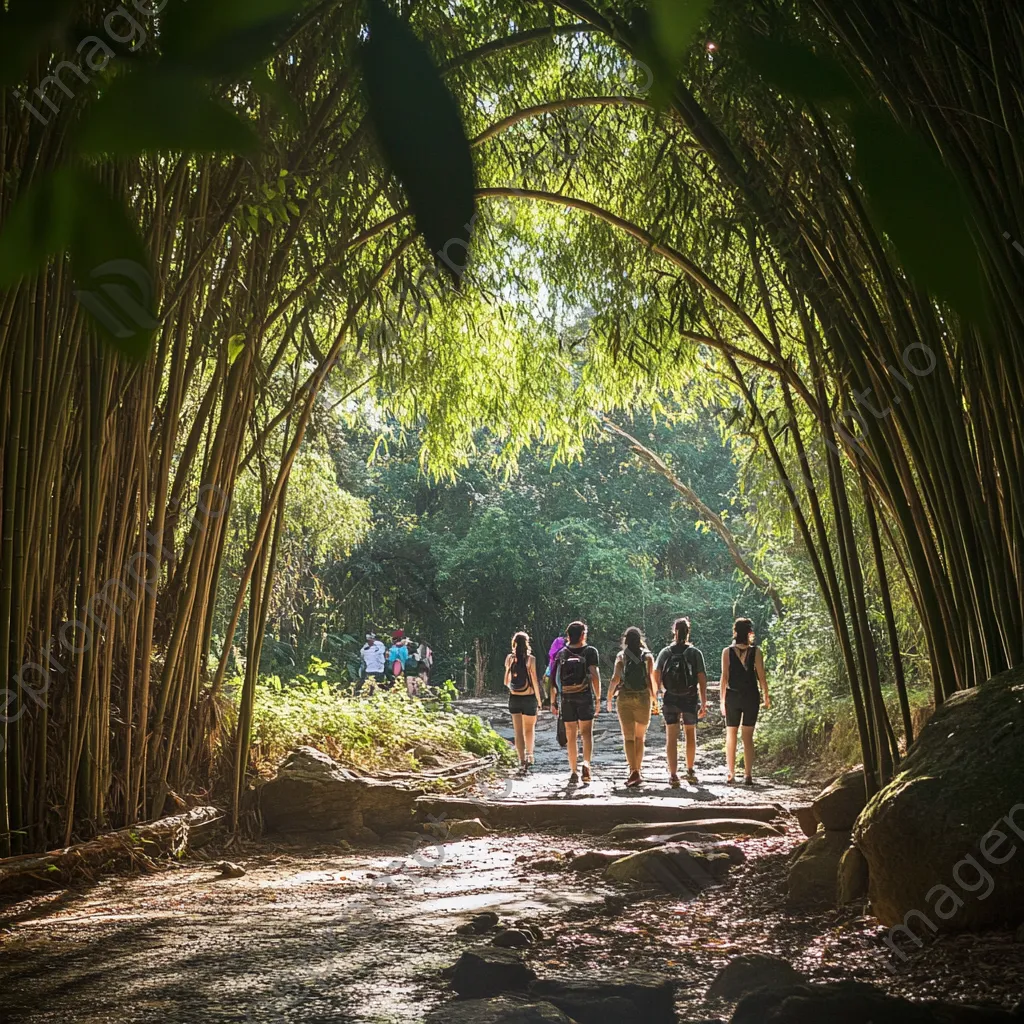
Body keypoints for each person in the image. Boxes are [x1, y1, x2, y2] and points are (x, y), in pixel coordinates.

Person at [654, 616, 708, 787]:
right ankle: (690, 770)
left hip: (670, 697)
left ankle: (673, 774)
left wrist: (660, 690)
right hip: (690, 696)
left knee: (671, 736)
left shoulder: (665, 652)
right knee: (690, 733)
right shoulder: (694, 653)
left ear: (674, 632)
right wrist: (704, 700)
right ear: (688, 631)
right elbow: (701, 677)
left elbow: (656, 672)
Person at [720, 617, 771, 785]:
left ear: (735, 632)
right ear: (750, 633)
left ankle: (731, 773)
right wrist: (766, 696)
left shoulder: (727, 651)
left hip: (732, 696)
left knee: (731, 734)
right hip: (751, 696)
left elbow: (724, 677)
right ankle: (748, 775)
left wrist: (722, 700)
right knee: (747, 736)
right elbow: (761, 676)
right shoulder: (756, 651)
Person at [549, 621, 600, 785]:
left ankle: (573, 770)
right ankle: (586, 764)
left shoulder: (561, 653)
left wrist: (553, 702)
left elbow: (554, 680)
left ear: (568, 636)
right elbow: (595, 675)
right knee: (586, 734)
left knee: (571, 736)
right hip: (584, 696)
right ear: (583, 635)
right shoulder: (590, 651)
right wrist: (598, 698)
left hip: (567, 698)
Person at [606, 626, 656, 787]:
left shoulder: (621, 656)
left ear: (625, 640)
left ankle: (633, 770)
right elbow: (650, 680)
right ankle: (638, 770)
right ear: (640, 639)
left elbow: (615, 679)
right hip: (642, 698)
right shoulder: (648, 657)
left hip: (624, 698)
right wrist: (655, 699)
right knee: (640, 738)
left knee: (628, 738)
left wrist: (608, 698)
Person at [504, 631, 542, 771]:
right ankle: (530, 755)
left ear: (514, 644)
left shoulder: (509, 658)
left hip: (514, 698)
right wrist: (539, 700)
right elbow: (534, 681)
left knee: (518, 731)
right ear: (527, 644)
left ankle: (521, 760)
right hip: (529, 698)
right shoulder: (530, 659)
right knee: (529, 729)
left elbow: (506, 681)